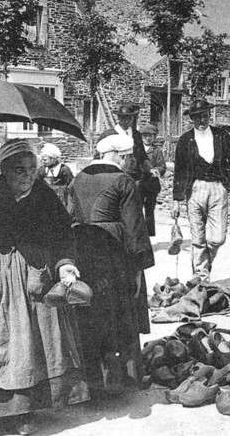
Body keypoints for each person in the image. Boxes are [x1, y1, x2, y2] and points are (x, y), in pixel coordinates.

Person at [0, 139, 89, 436]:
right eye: (18, 170)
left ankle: (25, 411)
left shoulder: (44, 195)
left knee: (31, 346)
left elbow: (63, 235)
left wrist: (65, 263)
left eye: (31, 169)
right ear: (3, 170)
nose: (26, 175)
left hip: (32, 279)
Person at [68, 134, 154, 396]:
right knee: (122, 309)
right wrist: (139, 268)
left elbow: (70, 216)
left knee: (91, 311)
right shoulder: (123, 181)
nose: (130, 162)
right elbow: (134, 228)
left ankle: (93, 380)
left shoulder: (77, 178)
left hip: (84, 251)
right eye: (129, 157)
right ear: (122, 155)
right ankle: (124, 378)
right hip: (115, 253)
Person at [171, 98, 230, 280]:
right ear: (192, 119)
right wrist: (177, 200)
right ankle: (201, 278)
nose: (202, 121)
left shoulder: (221, 136)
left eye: (204, 116)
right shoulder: (185, 140)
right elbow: (179, 170)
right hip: (195, 189)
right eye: (197, 117)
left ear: (209, 115)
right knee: (197, 238)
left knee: (217, 238)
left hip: (218, 188)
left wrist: (226, 184)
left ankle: (203, 264)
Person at [140, 123, 167, 237]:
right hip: (139, 184)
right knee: (136, 210)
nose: (148, 138)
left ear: (154, 137)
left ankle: (149, 235)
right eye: (145, 135)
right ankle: (138, 234)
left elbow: (162, 166)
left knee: (150, 210)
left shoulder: (156, 151)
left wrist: (157, 170)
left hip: (151, 185)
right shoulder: (137, 149)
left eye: (150, 136)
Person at [36, 143, 73, 208]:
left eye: (45, 160)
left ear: (53, 159)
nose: (43, 161)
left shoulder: (64, 170)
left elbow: (71, 185)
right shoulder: (42, 170)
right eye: (42, 160)